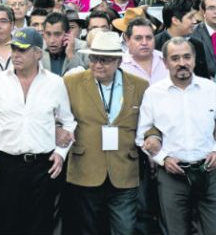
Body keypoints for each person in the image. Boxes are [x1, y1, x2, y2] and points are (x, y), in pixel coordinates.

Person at [0, 27, 76, 235]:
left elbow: (69, 122)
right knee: (7, 225)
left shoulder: (55, 83)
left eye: (22, 50)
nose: (16, 54)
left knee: (41, 225)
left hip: (43, 166)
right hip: (7, 165)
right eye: (14, 48)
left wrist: (61, 154)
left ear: (37, 53)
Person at [136, 37, 216, 235]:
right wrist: (163, 159)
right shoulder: (153, 94)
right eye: (175, 58)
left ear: (194, 59)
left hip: (209, 172)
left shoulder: (211, 90)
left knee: (215, 230)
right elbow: (142, 135)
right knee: (175, 231)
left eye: (187, 57)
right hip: (172, 175)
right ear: (165, 62)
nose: (182, 63)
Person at [63, 31, 152, 235]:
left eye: (105, 60)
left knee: (125, 228)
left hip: (125, 169)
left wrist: (152, 138)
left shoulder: (139, 86)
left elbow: (149, 123)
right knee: (88, 229)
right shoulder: (71, 83)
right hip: (86, 169)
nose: (97, 64)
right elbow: (59, 117)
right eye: (94, 58)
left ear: (119, 61)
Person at [119, 17, 169, 85]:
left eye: (149, 37)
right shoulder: (119, 66)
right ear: (127, 40)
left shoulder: (167, 60)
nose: (144, 43)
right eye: (138, 38)